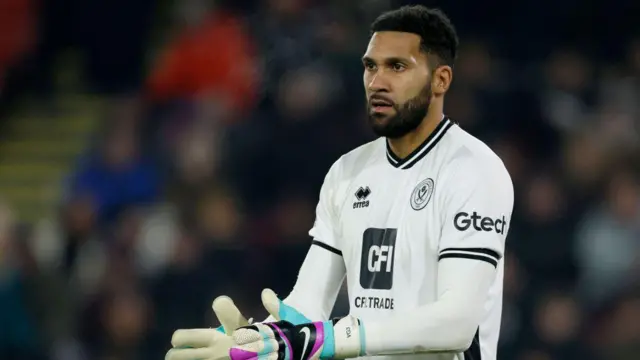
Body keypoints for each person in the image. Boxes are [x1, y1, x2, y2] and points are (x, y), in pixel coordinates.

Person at [165, 5, 514, 360]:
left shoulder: (474, 169)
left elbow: (456, 324)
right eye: (370, 66)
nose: (378, 82)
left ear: (440, 79)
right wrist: (258, 341)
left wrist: (335, 336)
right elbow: (306, 310)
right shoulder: (347, 172)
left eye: (397, 66)